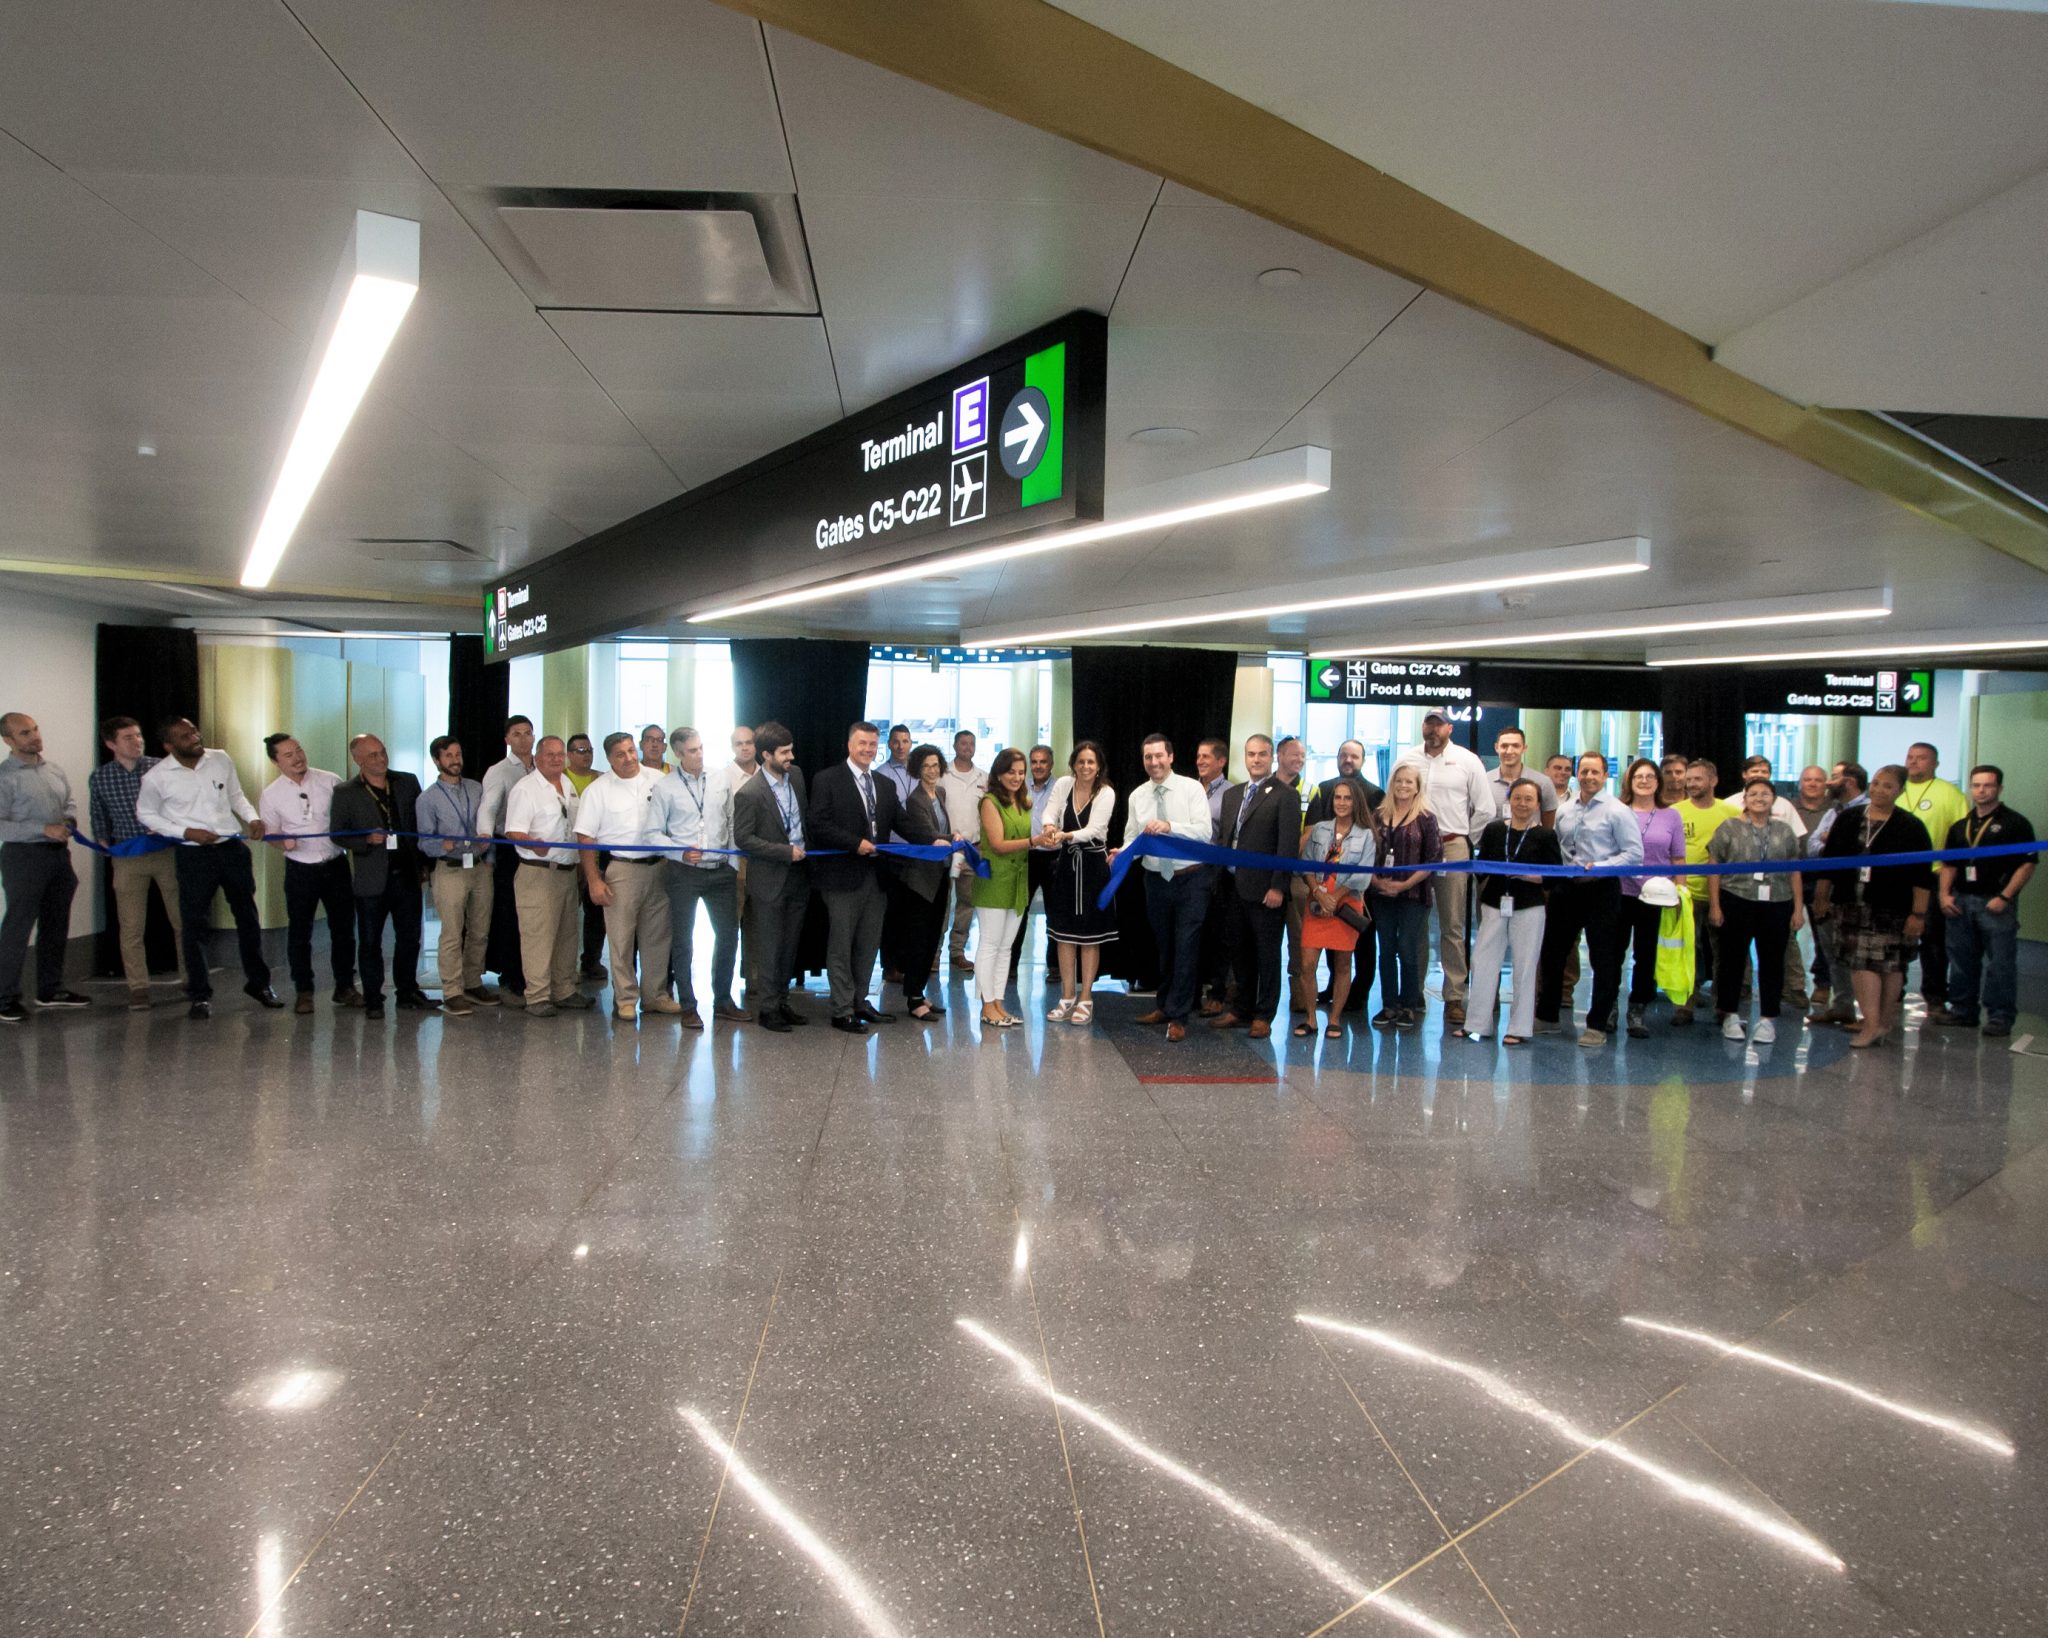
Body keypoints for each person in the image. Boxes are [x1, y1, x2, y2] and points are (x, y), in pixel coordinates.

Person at [136, 717, 279, 1019]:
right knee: (193, 926)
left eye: (194, 731)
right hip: (194, 856)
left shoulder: (220, 758)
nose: (194, 737)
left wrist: (252, 818)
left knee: (248, 918)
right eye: (185, 735)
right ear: (169, 745)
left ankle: (259, 984)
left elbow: (236, 795)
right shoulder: (156, 777)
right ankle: (200, 994)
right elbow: (146, 814)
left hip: (231, 850)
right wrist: (186, 832)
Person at [1814, 765, 1931, 1048]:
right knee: (1860, 963)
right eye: (1876, 783)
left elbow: (1921, 875)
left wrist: (1918, 914)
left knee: (1890, 966)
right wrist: (1821, 896)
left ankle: (1879, 1023)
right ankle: (1872, 1021)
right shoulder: (1849, 819)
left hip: (1892, 908)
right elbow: (1829, 862)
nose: (1879, 790)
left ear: (1900, 791)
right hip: (1850, 904)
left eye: (1887, 786)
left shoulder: (1911, 826)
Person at [1536, 752, 1643, 1046]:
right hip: (1567, 889)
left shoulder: (1618, 811)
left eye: (1595, 772)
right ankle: (1547, 1017)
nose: (1589, 777)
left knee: (1603, 958)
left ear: (1605, 775)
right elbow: (1556, 846)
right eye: (1584, 771)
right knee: (1554, 953)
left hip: (1602, 890)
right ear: (1577, 775)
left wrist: (1603, 868)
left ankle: (1596, 1024)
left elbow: (1635, 854)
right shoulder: (1565, 809)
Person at [1397, 710, 1496, 1027]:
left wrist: (1466, 841)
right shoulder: (1408, 758)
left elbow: (1485, 809)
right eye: (1429, 724)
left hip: (1453, 846)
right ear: (1423, 727)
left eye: (1439, 724)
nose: (1433, 729)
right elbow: (1396, 799)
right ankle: (1414, 993)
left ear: (1449, 728)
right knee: (1415, 923)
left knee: (1453, 925)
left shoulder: (1467, 761)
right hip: (1414, 848)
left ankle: (1454, 996)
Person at [1115, 734, 1214, 1041]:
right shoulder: (1137, 796)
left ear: (1170, 757)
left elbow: (1204, 832)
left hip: (1191, 880)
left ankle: (1179, 1016)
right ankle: (1165, 1005)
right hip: (1155, 880)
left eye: (1159, 756)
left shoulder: (1191, 788)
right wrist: (1122, 852)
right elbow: (1133, 837)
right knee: (1164, 946)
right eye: (1148, 757)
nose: (1154, 762)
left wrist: (1171, 826)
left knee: (1186, 946)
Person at [575, 731, 678, 1023]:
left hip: (659, 869)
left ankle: (656, 996)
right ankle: (626, 999)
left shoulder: (658, 780)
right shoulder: (599, 790)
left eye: (631, 751)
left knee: (658, 937)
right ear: (609, 759)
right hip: (621, 870)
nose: (630, 758)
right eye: (621, 754)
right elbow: (585, 837)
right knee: (620, 940)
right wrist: (594, 880)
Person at [649, 727, 748, 1029]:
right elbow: (653, 833)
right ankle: (688, 1005)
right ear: (677, 754)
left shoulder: (719, 778)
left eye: (701, 748)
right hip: (684, 873)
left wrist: (732, 861)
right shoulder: (665, 787)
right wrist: (679, 852)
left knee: (729, 935)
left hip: (720, 871)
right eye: (692, 750)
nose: (699, 754)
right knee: (683, 940)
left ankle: (723, 1001)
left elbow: (732, 821)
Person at [331, 734, 434, 1020]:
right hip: (372, 878)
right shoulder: (345, 792)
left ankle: (407, 991)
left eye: (383, 752)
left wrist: (424, 864)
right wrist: (365, 839)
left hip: (406, 874)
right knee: (370, 942)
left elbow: (419, 825)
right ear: (358, 760)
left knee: (410, 938)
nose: (380, 759)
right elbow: (337, 834)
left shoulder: (407, 782)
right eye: (373, 755)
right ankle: (374, 998)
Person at [257, 732, 359, 1015]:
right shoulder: (271, 794)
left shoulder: (330, 780)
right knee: (300, 933)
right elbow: (271, 834)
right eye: (288, 755)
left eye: (299, 750)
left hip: (334, 863)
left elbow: (347, 818)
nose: (297, 758)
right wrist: (282, 842)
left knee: (343, 929)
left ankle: (345, 987)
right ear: (276, 761)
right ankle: (304, 990)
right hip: (300, 868)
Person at [808, 720, 900, 1033]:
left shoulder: (885, 785)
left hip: (877, 879)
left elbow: (903, 823)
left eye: (873, 745)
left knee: (868, 946)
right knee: (841, 946)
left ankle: (860, 1001)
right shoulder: (827, 779)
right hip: (841, 879)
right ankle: (841, 1010)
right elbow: (817, 825)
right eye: (862, 744)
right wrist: (854, 843)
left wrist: (937, 838)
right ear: (850, 745)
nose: (868, 750)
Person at [0, 712, 90, 1024]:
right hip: (24, 857)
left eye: (35, 729)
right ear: (9, 741)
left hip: (57, 857)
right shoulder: (4, 778)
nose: (35, 736)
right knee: (18, 926)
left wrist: (67, 821)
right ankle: (5, 998)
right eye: (25, 733)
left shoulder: (53, 770)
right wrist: (43, 828)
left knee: (56, 922)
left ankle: (50, 990)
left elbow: (70, 803)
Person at [88, 715, 184, 1009]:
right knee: (131, 925)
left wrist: (169, 824)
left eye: (139, 735)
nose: (137, 741)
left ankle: (193, 977)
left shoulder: (160, 767)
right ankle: (138, 987)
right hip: (128, 856)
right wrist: (103, 841)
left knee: (182, 917)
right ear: (110, 744)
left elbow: (181, 802)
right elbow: (98, 813)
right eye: (128, 737)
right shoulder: (101, 777)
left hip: (165, 850)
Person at [1211, 734, 1301, 1040]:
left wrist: (1279, 886)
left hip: (1266, 891)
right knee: (1239, 952)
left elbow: (1287, 846)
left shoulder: (1285, 795)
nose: (1256, 759)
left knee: (1267, 955)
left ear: (1272, 758)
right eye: (1251, 754)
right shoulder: (1232, 794)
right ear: (1244, 757)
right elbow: (1226, 839)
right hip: (1232, 885)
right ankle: (1241, 1009)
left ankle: (1264, 1014)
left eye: (1262, 754)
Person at [1937, 764, 2035, 1039]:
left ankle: (2000, 1017)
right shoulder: (1960, 826)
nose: (1981, 790)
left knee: (2000, 963)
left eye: (1988, 785)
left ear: (1999, 789)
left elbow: (2027, 865)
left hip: (1995, 902)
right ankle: (1962, 1010)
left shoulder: (2016, 823)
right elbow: (1949, 864)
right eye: (1976, 785)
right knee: (1961, 959)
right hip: (1961, 900)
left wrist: (2006, 896)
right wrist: (1944, 894)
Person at [1707, 777, 1805, 1043]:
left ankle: (1767, 1019)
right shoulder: (1729, 828)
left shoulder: (1784, 831)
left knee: (1773, 961)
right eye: (1753, 794)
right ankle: (1729, 1015)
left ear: (1773, 799)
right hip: (1736, 898)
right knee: (1732, 960)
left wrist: (1798, 908)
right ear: (1745, 799)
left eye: (1765, 794)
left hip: (1777, 903)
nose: (1759, 798)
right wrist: (1715, 905)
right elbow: (1714, 866)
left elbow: (1794, 870)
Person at [503, 735, 596, 1018]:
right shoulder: (526, 789)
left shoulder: (567, 784)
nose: (556, 759)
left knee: (567, 936)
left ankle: (564, 990)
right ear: (538, 757)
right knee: (539, 938)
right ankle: (538, 996)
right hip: (539, 874)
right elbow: (512, 831)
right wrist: (533, 842)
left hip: (567, 872)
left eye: (560, 755)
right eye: (550, 754)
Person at [1463, 777, 1561, 1044]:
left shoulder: (1545, 835)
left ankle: (1518, 1028)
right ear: (1509, 800)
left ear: (1538, 804)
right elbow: (1481, 866)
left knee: (1525, 966)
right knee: (1483, 963)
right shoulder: (1495, 830)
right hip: (1495, 903)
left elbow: (1555, 876)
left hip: (1529, 906)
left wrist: (1530, 877)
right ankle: (1477, 1023)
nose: (1522, 804)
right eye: (1517, 798)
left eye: (1529, 799)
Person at [732, 721, 813, 1031]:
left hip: (798, 877)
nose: (790, 756)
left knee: (791, 945)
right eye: (784, 752)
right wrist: (783, 851)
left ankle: (782, 1001)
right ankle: (767, 1009)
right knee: (770, 947)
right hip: (769, 880)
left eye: (791, 750)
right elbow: (744, 839)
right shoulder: (749, 793)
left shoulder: (798, 777)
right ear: (766, 754)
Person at [415, 734, 496, 1018]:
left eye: (458, 754)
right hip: (449, 870)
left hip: (480, 867)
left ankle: (473, 982)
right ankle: (452, 990)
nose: (455, 760)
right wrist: (442, 844)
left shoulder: (476, 788)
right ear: (437, 761)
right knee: (451, 932)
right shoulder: (428, 798)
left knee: (480, 930)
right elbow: (423, 842)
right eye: (448, 756)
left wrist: (490, 859)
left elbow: (489, 824)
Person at [1306, 741, 1385, 1014]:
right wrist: (1320, 891)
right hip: (1325, 885)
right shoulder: (1325, 789)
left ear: (1363, 759)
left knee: (1361, 938)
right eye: (1344, 755)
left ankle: (1359, 991)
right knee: (1332, 940)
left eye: (1354, 756)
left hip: (1356, 887)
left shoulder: (1376, 793)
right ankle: (1333, 987)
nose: (1348, 760)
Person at [1042, 739, 1116, 1025]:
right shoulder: (1063, 784)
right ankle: (1066, 995)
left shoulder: (1106, 792)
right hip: (1066, 867)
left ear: (1098, 767)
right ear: (1073, 763)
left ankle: (1086, 996)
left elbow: (1094, 829)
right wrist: (1050, 826)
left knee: (1089, 936)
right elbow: (1049, 810)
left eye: (1091, 762)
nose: (1085, 767)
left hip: (1093, 866)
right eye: (1081, 761)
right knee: (1063, 934)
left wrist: (1064, 835)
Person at [1297, 774, 1374, 1038]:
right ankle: (1310, 1018)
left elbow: (1362, 876)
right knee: (1307, 964)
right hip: (1317, 902)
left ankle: (1335, 1019)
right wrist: (1319, 893)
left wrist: (1335, 897)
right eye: (1338, 797)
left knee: (1342, 964)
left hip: (1346, 905)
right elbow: (1305, 864)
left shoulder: (1366, 836)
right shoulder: (1319, 829)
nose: (1342, 802)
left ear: (1356, 802)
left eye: (1348, 798)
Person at [1368, 762, 1441, 1031]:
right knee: (1386, 950)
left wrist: (1403, 885)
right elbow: (1366, 854)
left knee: (1407, 950)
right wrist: (1377, 881)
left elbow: (1433, 859)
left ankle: (1409, 1004)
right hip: (1381, 894)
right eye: (1399, 781)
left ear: (1417, 787)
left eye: (1409, 782)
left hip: (1413, 895)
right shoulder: (1377, 815)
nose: (1403, 786)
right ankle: (1389, 1005)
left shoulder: (1426, 818)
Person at [889, 744, 959, 1023]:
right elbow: (928, 835)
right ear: (917, 769)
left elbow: (940, 833)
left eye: (935, 765)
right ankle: (914, 999)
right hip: (921, 880)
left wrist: (953, 836)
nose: (932, 770)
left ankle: (920, 993)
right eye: (926, 766)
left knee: (933, 936)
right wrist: (949, 838)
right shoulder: (915, 799)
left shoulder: (939, 793)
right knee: (919, 938)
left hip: (940, 874)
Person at [1901, 742, 1970, 1022]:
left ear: (1935, 764)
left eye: (1921, 758)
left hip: (1932, 874)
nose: (1914, 762)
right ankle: (1893, 993)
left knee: (1931, 939)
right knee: (1894, 935)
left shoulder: (1950, 794)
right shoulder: (1896, 788)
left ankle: (1935, 997)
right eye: (1910, 757)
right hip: (1894, 874)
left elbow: (1961, 835)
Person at [1618, 756, 1685, 1038]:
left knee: (1646, 956)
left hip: (1657, 897)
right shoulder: (1618, 811)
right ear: (1630, 782)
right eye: (1638, 777)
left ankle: (1637, 1009)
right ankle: (1607, 1006)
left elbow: (1678, 857)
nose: (1644, 781)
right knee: (1611, 952)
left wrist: (1682, 892)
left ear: (1658, 782)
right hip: (1620, 892)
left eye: (1649, 777)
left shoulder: (1671, 816)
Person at [973, 747, 1036, 1029]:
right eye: (1011, 771)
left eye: (1021, 772)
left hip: (1018, 880)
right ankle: (987, 1005)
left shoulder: (1024, 801)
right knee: (989, 944)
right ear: (999, 772)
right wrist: (1035, 842)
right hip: (995, 880)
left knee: (1006, 948)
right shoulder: (989, 801)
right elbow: (997, 844)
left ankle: (998, 1002)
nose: (1017, 777)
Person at [480, 715, 536, 1004]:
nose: (524, 739)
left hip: (540, 849)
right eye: (517, 734)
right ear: (507, 739)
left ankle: (534, 975)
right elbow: (488, 810)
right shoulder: (499, 771)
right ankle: (511, 977)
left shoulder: (542, 768)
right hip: (509, 849)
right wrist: (486, 847)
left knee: (535, 916)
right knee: (510, 915)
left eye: (528, 733)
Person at [1677, 759, 1738, 1024]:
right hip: (1684, 891)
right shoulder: (1675, 811)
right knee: (1686, 949)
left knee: (1723, 952)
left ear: (1713, 781)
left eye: (1697, 779)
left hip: (1721, 892)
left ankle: (1722, 1005)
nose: (1691, 784)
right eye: (1688, 779)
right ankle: (1685, 1004)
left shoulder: (1732, 812)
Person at [1807, 762, 1868, 1028]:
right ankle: (1842, 1007)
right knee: (1833, 951)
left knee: (1861, 954)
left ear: (1850, 781)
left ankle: (1869, 1014)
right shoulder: (1834, 811)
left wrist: (1829, 841)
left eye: (1833, 778)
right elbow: (1813, 846)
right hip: (1829, 888)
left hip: (1858, 892)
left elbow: (1853, 850)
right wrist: (1828, 841)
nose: (1828, 783)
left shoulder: (1866, 813)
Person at [1008, 744, 1060, 990]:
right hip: (1026, 856)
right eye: (1035, 762)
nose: (1039, 766)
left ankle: (1055, 966)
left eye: (1043, 762)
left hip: (1054, 857)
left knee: (1054, 913)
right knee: (1019, 912)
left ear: (1051, 764)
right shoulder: (1020, 787)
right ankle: (1010, 966)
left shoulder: (1061, 788)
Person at [940, 730, 987, 973]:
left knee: (967, 904)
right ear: (955, 745)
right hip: (945, 850)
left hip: (972, 849)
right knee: (941, 903)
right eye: (963, 743)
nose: (967, 747)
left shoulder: (984, 778)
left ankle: (957, 951)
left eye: (971, 744)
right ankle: (934, 954)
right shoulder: (942, 776)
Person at [1194, 734, 1234, 1013]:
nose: (1200, 761)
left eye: (1206, 757)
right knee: (1191, 935)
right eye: (1198, 757)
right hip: (1186, 871)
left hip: (1217, 874)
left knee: (1219, 936)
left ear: (1221, 761)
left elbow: (1229, 836)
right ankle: (1190, 992)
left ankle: (1218, 994)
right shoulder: (1188, 789)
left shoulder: (1232, 794)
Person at [875, 722, 917, 984]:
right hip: (892, 851)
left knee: (913, 913)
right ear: (889, 744)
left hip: (918, 851)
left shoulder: (920, 772)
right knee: (892, 913)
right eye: (896, 741)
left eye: (906, 741)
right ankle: (890, 966)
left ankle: (909, 962)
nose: (901, 746)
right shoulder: (881, 774)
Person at [564, 733, 608, 985]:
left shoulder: (601, 780)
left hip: (596, 856)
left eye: (589, 749)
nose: (586, 754)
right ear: (570, 755)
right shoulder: (561, 779)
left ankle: (591, 960)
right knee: (569, 914)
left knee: (595, 913)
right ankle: (565, 968)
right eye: (580, 750)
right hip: (569, 856)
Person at [719, 723, 761, 936]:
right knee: (729, 929)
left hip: (765, 860)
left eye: (749, 742)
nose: (745, 748)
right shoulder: (721, 778)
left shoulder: (768, 775)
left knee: (757, 929)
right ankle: (725, 971)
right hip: (736, 861)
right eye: (739, 743)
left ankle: (753, 971)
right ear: (732, 747)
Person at [1490, 727, 1557, 820]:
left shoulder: (1543, 782)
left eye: (1516, 746)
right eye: (1504, 746)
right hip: (1493, 834)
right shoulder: (1484, 781)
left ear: (1524, 748)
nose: (1509, 751)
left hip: (1531, 834)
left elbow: (1547, 825)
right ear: (1496, 748)